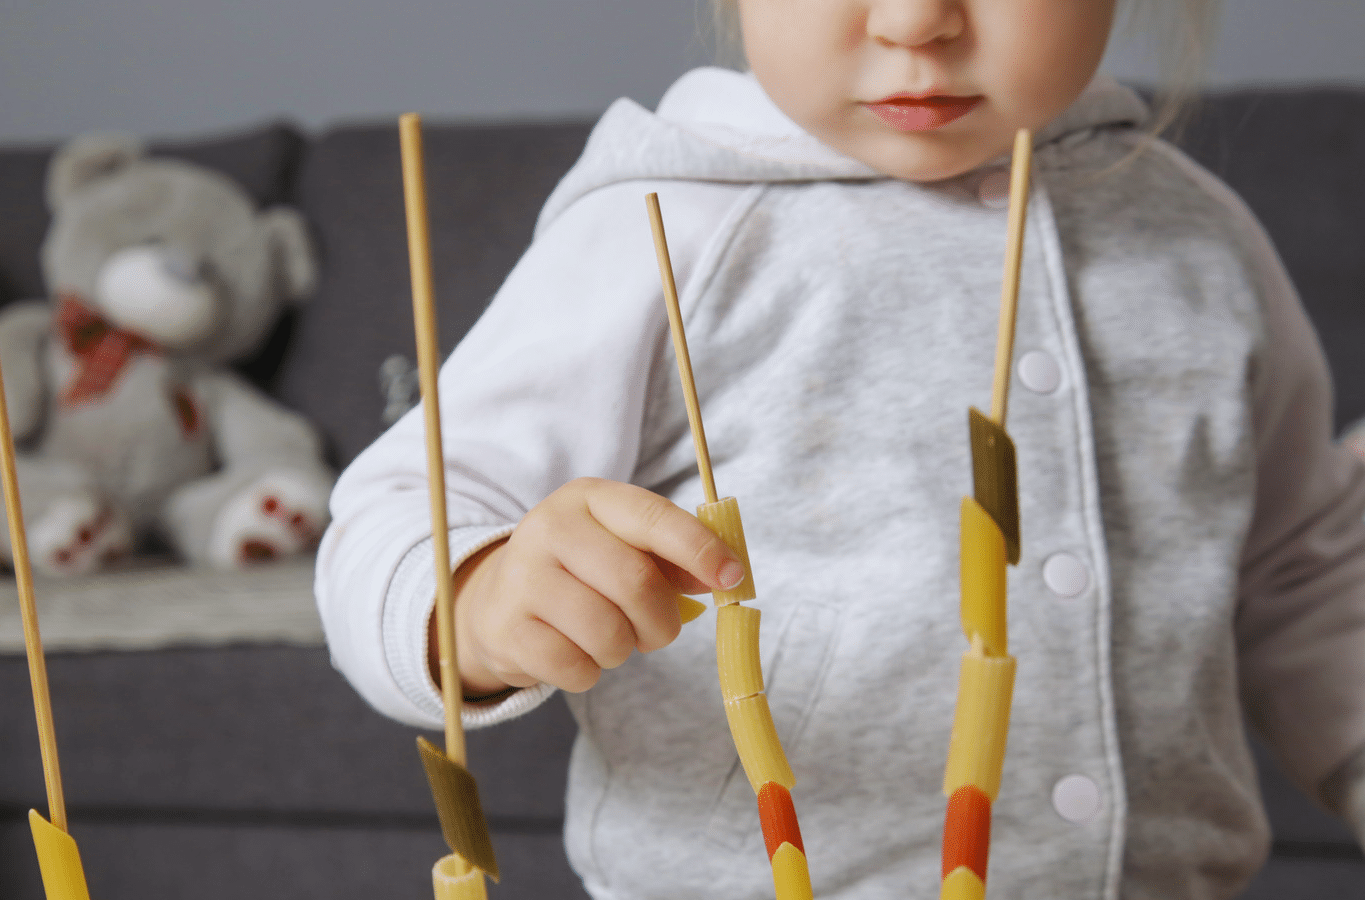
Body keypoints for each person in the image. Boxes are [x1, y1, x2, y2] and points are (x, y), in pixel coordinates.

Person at [316, 0, 1365, 896]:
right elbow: (403, 511)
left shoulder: (1199, 241)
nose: (915, 22)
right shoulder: (660, 232)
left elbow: (1302, 572)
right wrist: (480, 599)